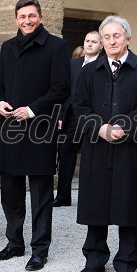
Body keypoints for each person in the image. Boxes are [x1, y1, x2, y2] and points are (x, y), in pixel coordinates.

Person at [73, 15, 137, 272]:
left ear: (128, 39)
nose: (111, 41)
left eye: (117, 36)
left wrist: (123, 127)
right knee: (96, 205)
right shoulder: (88, 71)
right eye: (106, 37)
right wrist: (99, 128)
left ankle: (126, 266)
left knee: (128, 206)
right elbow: (79, 105)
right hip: (97, 146)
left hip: (130, 149)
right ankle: (94, 260)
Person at [0, 0, 70, 271]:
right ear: (16, 19)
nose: (27, 20)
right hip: (10, 129)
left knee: (40, 194)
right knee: (10, 192)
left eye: (32, 16)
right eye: (22, 16)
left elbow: (61, 88)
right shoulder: (8, 47)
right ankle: (14, 243)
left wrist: (33, 109)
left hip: (39, 129)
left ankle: (40, 249)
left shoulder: (56, 46)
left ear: (41, 17)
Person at [54, 31, 103, 207]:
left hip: (92, 116)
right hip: (71, 116)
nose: (89, 44)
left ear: (101, 45)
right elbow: (63, 91)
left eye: (94, 42)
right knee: (66, 156)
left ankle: (90, 197)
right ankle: (62, 196)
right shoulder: (73, 64)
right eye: (87, 41)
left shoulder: (104, 65)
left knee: (92, 157)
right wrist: (60, 115)